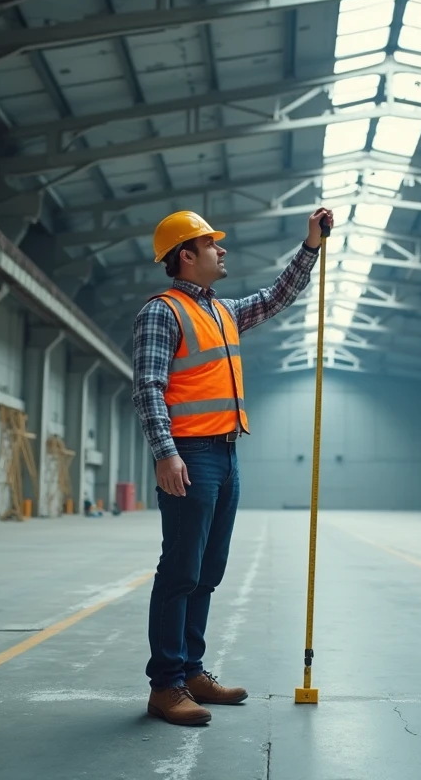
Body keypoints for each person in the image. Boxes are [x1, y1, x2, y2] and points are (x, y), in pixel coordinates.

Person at [131, 206, 333, 726]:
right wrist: (165, 453)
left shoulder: (221, 312)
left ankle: (193, 671)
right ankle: (166, 685)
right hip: (190, 456)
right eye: (212, 244)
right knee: (179, 572)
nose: (222, 250)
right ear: (186, 255)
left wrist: (309, 246)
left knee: (207, 572)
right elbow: (149, 387)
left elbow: (276, 297)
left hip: (225, 453)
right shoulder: (162, 312)